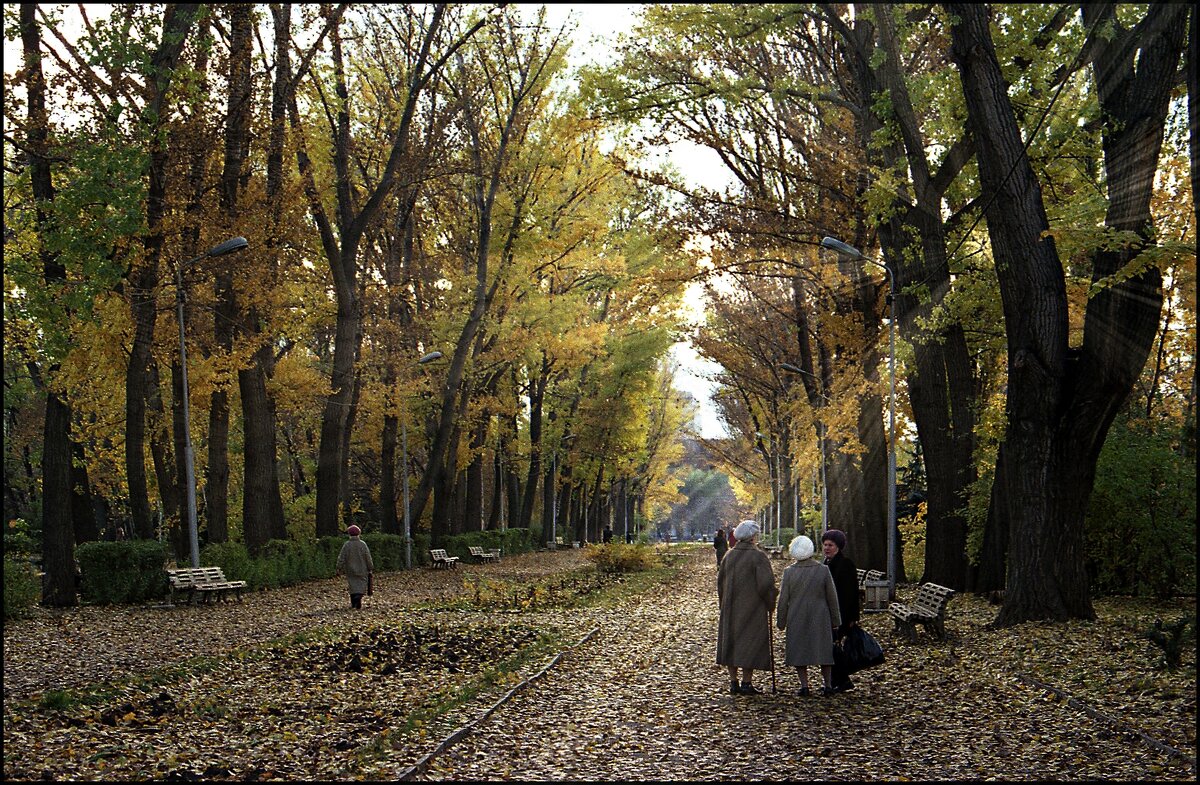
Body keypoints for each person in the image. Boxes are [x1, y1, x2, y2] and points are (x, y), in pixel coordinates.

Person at [716, 520, 778, 695]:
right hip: (752, 608)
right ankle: (746, 682)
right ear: (752, 537)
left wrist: (723, 603)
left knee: (731, 643)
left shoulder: (729, 555)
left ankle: (733, 681)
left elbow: (720, 583)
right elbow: (765, 584)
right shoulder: (758, 556)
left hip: (730, 607)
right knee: (749, 643)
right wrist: (770, 602)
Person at [776, 535, 841, 696]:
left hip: (796, 614)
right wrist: (835, 620)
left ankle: (804, 686)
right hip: (820, 615)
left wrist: (781, 621)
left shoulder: (789, 572)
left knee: (800, 651)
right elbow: (831, 597)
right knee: (824, 651)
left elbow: (783, 599)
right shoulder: (823, 570)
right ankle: (827, 685)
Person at [822, 528, 860, 692]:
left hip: (842, 613)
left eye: (830, 545)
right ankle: (835, 680)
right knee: (831, 647)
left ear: (838, 547)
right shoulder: (826, 564)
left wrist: (852, 617)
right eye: (825, 545)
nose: (827, 548)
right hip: (828, 612)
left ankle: (841, 680)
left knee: (835, 648)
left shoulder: (845, 564)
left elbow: (852, 592)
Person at [336, 525, 374, 610]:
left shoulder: (347, 545)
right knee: (361, 584)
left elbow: (342, 557)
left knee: (353, 585)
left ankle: (353, 603)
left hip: (350, 569)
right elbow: (368, 557)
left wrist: (339, 567)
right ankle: (359, 597)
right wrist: (370, 567)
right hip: (362, 568)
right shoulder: (363, 544)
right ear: (359, 533)